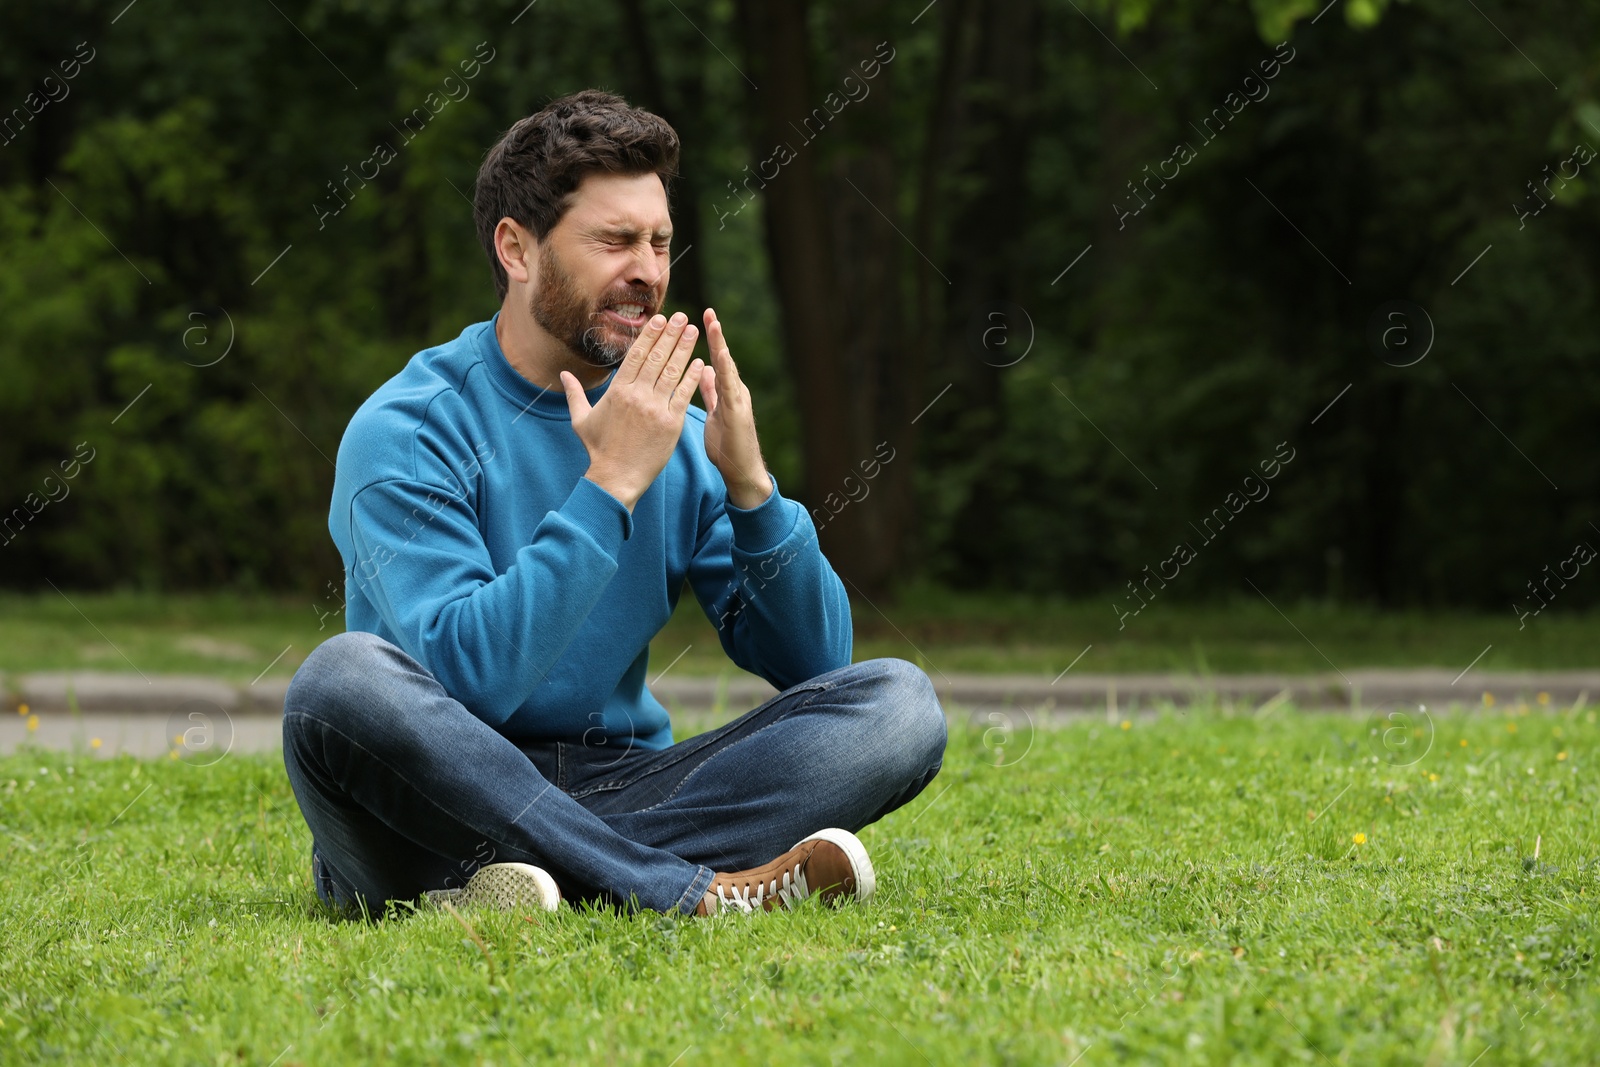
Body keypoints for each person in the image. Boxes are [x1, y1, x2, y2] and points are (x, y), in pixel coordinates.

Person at [281, 90, 947, 920]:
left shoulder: (674, 429)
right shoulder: (408, 429)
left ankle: (514, 883)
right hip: (428, 794)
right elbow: (467, 681)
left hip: (621, 776)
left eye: (661, 242)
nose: (650, 270)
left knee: (897, 705)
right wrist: (609, 488)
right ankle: (679, 888)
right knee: (338, 683)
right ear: (517, 250)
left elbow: (819, 668)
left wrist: (753, 492)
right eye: (615, 240)